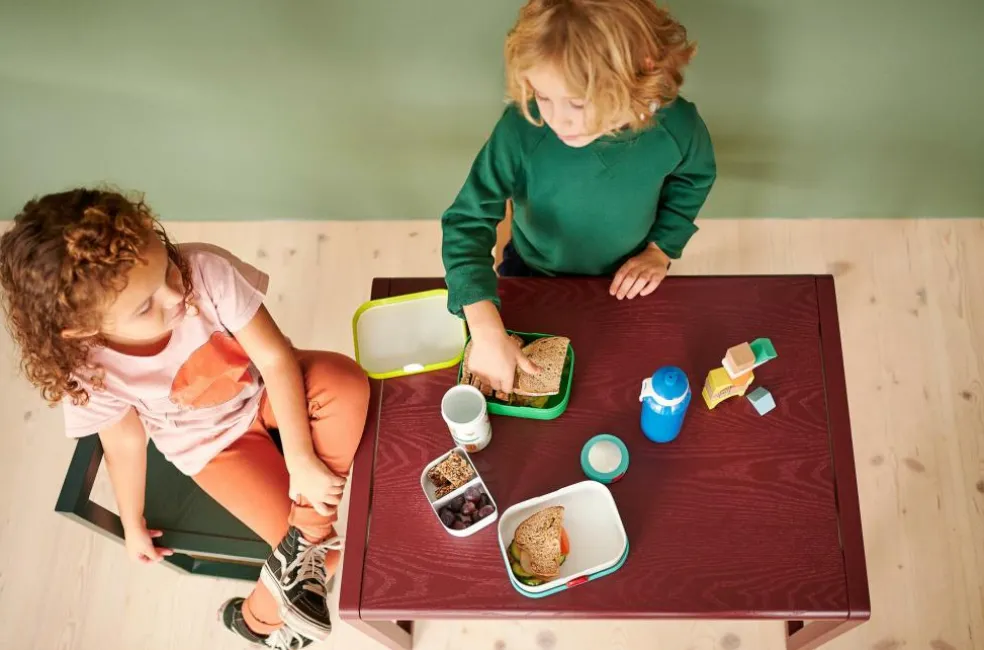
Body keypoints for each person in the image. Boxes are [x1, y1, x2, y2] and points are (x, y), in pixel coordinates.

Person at [0, 189, 368, 650]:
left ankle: (304, 539)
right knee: (326, 560)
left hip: (265, 393)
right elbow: (124, 445)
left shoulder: (206, 271)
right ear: (84, 329)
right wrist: (132, 521)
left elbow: (275, 360)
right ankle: (253, 623)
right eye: (144, 306)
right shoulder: (89, 370)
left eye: (168, 268)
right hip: (212, 448)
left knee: (344, 382)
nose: (176, 296)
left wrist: (300, 460)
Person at [442, 0, 716, 394]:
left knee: (618, 373)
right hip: (532, 267)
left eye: (577, 102)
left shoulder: (677, 126)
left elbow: (694, 178)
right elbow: (467, 221)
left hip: (628, 272)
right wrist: (484, 329)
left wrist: (661, 249)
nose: (557, 119)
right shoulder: (522, 128)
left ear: (642, 68)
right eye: (542, 96)